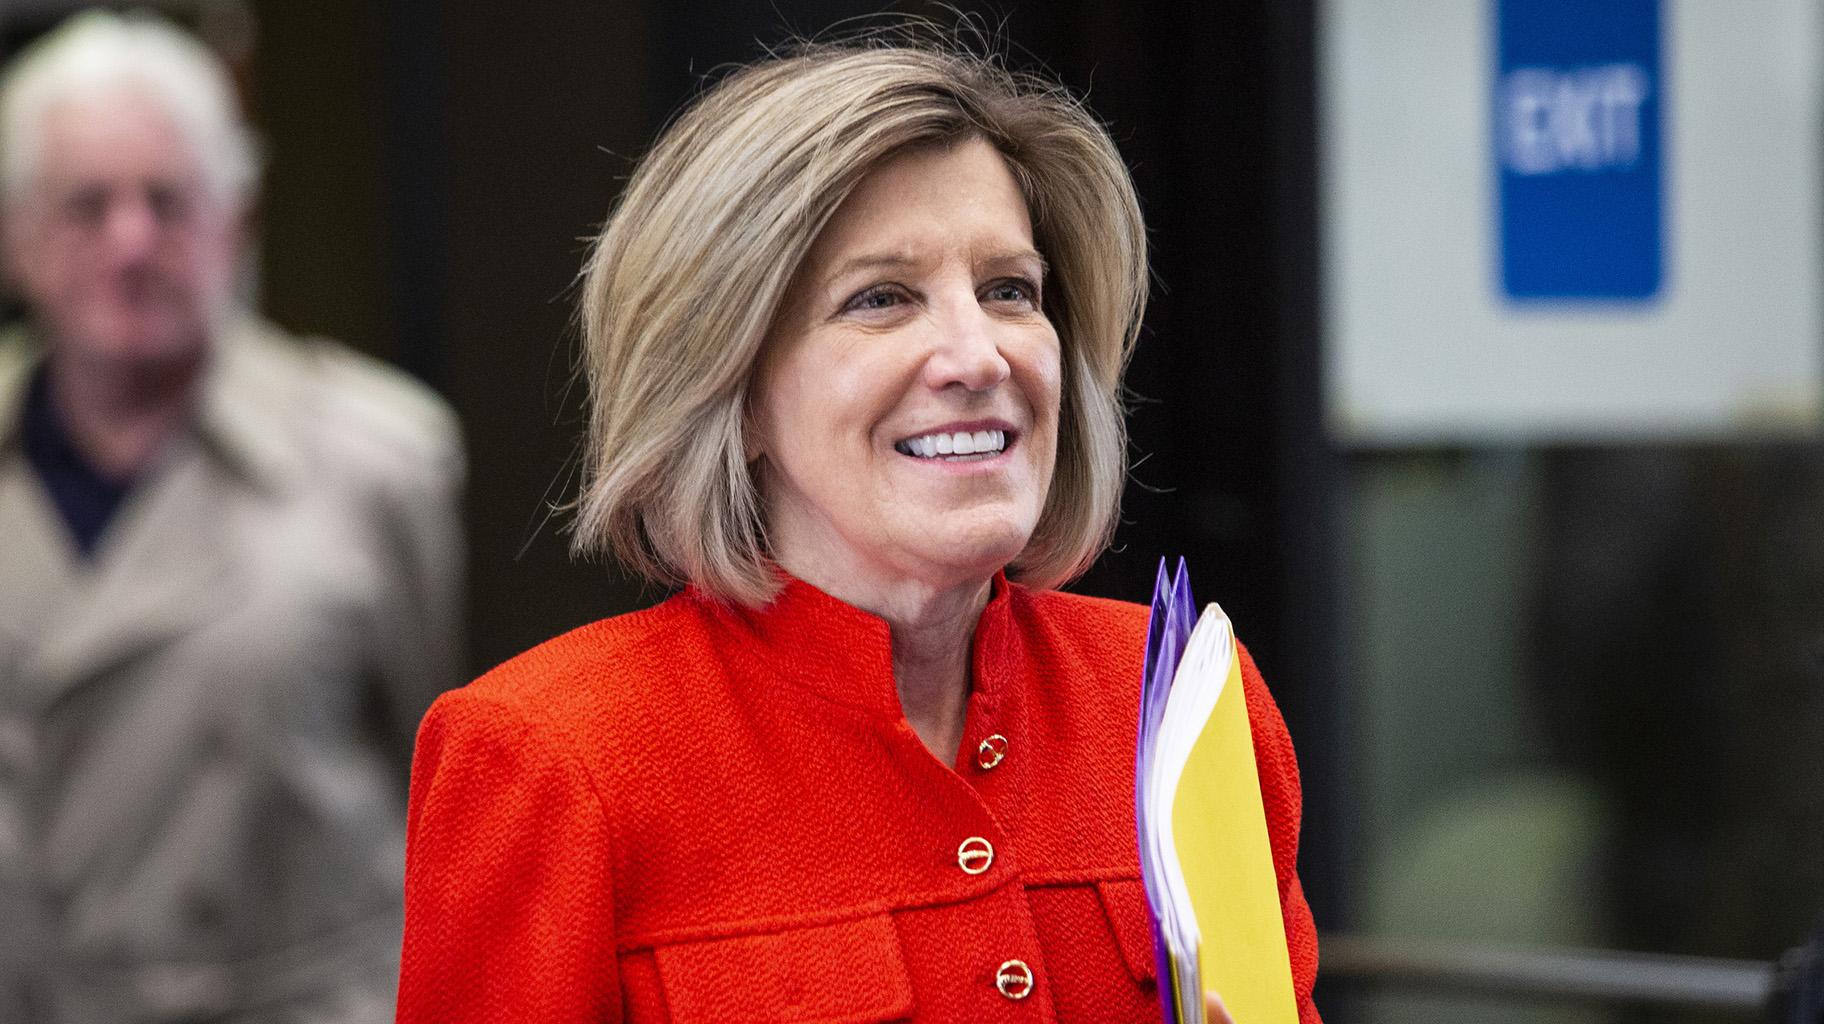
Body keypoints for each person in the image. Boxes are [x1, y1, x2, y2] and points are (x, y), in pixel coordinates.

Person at [397, 37, 1317, 1023]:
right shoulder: (553, 757)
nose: (976, 353)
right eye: (881, 298)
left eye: (1010, 288)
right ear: (733, 388)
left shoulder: (1177, 699)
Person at [0, 11, 463, 1022]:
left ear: (236, 218)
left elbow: (440, 765)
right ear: (16, 237)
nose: (132, 242)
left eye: (167, 201)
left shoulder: (377, 457)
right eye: (86, 205)